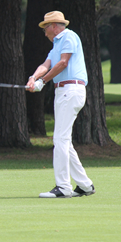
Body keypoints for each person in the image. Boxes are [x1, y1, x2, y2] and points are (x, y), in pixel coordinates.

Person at [26, 11, 95, 199]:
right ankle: (85, 185)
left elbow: (63, 63)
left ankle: (63, 187)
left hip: (71, 89)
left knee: (60, 140)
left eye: (46, 28)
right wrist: (33, 78)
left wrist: (43, 81)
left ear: (54, 26)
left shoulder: (68, 37)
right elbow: (45, 65)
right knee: (64, 140)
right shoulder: (56, 44)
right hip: (63, 92)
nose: (45, 33)